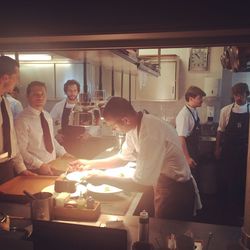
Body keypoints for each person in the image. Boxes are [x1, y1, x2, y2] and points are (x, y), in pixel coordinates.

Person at [70, 97, 202, 220]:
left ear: (125, 120)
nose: (114, 130)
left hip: (176, 192)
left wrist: (103, 178)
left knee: (168, 237)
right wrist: (89, 164)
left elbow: (140, 183)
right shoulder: (134, 127)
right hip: (163, 184)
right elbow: (122, 158)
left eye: (114, 127)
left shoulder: (150, 133)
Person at [15, 81, 74, 176]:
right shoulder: (22, 119)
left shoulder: (47, 115)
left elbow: (51, 139)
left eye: (43, 94)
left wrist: (64, 153)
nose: (40, 97)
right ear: (27, 96)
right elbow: (21, 150)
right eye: (35, 94)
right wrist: (40, 165)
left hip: (53, 164)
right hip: (34, 169)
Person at [214, 82, 249, 219]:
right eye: (235, 95)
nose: (238, 98)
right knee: (227, 179)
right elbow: (220, 131)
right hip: (229, 151)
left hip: (245, 152)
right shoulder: (226, 110)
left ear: (247, 94)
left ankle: (242, 212)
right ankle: (226, 211)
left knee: (242, 181)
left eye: (241, 95)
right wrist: (217, 148)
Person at [0, 56, 36, 184]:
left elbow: (11, 138)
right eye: (17, 77)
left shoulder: (4, 102)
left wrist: (21, 168)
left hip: (6, 166)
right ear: (6, 78)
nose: (18, 83)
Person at [175, 86, 206, 180]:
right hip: (188, 152)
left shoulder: (194, 111)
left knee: (195, 178)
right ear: (191, 99)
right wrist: (187, 158)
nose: (202, 100)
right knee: (189, 179)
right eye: (199, 98)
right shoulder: (184, 115)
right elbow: (181, 139)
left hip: (194, 150)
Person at [50, 79, 81, 144]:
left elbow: (94, 122)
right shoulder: (58, 106)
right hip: (64, 141)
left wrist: (88, 134)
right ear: (65, 92)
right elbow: (49, 122)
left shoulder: (83, 106)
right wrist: (55, 134)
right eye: (70, 91)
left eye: (75, 90)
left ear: (78, 92)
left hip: (81, 140)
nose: (72, 93)